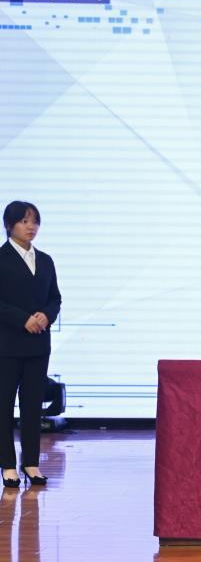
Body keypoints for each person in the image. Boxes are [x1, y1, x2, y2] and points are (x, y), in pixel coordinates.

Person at [0, 201, 61, 488]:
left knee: (32, 405)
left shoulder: (45, 260)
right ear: (9, 225)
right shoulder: (1, 258)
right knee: (4, 405)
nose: (31, 227)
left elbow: (55, 298)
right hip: (7, 345)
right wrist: (22, 319)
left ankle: (31, 463)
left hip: (38, 344)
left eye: (35, 221)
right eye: (24, 221)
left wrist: (46, 315)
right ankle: (7, 465)